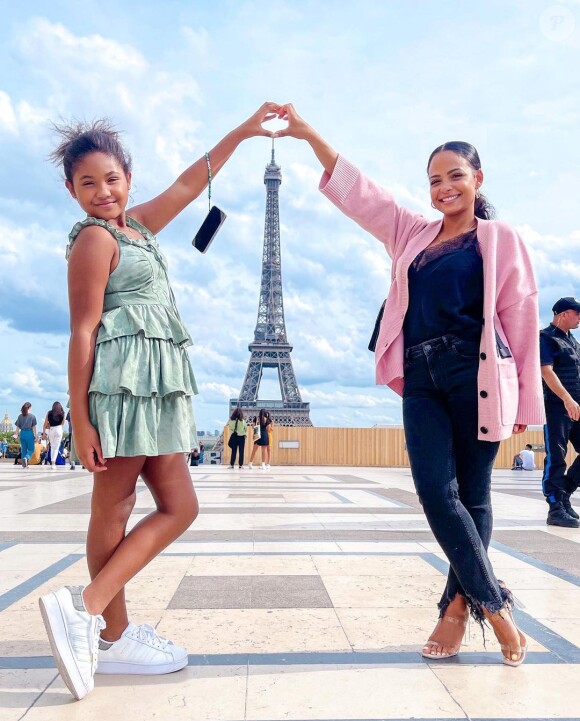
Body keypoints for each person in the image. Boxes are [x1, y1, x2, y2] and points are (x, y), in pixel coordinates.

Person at [274, 105, 545, 666]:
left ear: (478, 179)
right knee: (435, 491)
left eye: (455, 176)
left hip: (479, 376)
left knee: (473, 496)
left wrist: (527, 400)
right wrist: (308, 136)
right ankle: (495, 606)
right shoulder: (411, 234)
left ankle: (452, 611)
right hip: (421, 375)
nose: (444, 188)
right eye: (434, 180)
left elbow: (520, 319)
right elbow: (362, 194)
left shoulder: (501, 239)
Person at [38, 104, 277, 701]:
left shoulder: (137, 227)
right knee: (114, 510)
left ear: (128, 179)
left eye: (112, 179)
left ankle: (96, 621)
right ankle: (100, 622)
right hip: (122, 386)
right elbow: (82, 330)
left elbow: (191, 183)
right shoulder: (93, 241)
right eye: (87, 183)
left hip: (158, 383)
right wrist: (83, 417)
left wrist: (243, 132)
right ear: (71, 190)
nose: (102, 191)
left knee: (178, 504)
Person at [540, 297, 580, 527]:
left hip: (577, 405)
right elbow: (546, 371)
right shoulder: (546, 338)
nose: (579, 318)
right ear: (564, 314)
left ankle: (564, 491)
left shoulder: (573, 341)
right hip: (556, 406)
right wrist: (567, 399)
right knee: (556, 455)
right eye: (577, 313)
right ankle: (555, 507)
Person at [43, 402, 66, 470]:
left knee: (52, 446)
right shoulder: (62, 413)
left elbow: (45, 423)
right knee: (56, 447)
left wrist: (44, 432)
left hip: (52, 429)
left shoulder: (49, 413)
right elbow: (63, 423)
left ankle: (52, 462)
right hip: (59, 429)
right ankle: (53, 462)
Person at [14, 402, 37, 469]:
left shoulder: (20, 416)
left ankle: (25, 465)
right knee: (31, 449)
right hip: (29, 433)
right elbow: (34, 427)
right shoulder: (32, 416)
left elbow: (18, 427)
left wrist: (16, 434)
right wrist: (35, 435)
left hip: (22, 433)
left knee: (24, 449)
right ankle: (26, 458)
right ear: (29, 407)